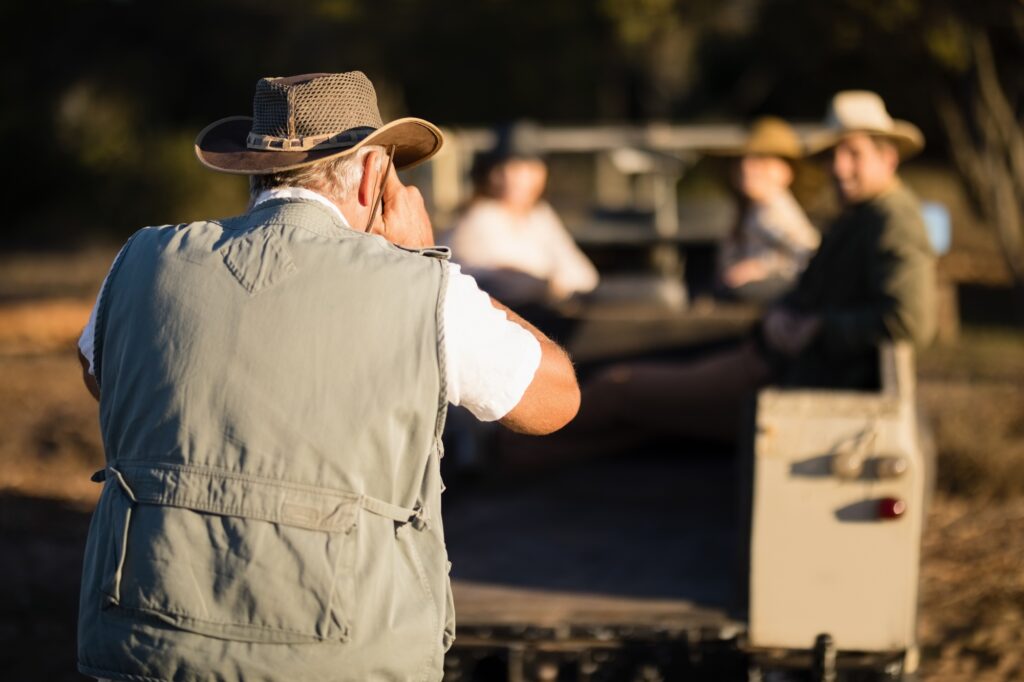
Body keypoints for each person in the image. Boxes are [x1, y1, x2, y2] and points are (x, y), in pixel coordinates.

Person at [75, 71, 580, 682]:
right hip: (341, 654)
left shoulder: (139, 259)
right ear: (374, 175)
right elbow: (554, 400)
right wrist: (431, 266)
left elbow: (103, 377)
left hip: (142, 643)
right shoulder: (421, 288)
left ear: (253, 168)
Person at [533, 90, 936, 459]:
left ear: (889, 158)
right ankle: (523, 455)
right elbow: (819, 285)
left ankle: (512, 443)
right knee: (636, 410)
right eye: (833, 156)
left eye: (854, 154)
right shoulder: (860, 216)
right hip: (775, 363)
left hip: (784, 375)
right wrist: (789, 313)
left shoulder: (891, 220)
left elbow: (910, 320)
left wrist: (814, 328)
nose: (839, 167)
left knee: (617, 388)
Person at [444, 125, 599, 306]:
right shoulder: (479, 218)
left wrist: (553, 285)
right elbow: (504, 282)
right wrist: (550, 284)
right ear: (491, 175)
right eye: (509, 168)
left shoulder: (540, 215)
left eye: (529, 168)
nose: (517, 178)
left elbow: (585, 277)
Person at [713, 116, 820, 304]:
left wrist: (761, 268)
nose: (747, 168)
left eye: (762, 162)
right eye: (743, 161)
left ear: (785, 172)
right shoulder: (751, 210)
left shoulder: (776, 211)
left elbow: (808, 255)